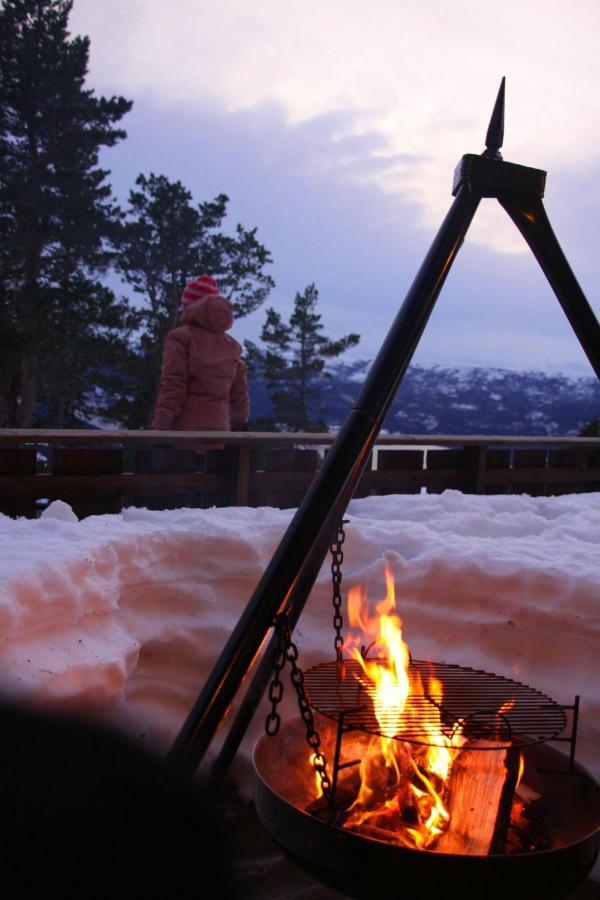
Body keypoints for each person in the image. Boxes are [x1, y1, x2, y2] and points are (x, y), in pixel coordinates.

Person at [152, 275, 249, 434]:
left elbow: (173, 385)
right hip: (220, 433)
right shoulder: (232, 346)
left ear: (189, 307)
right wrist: (236, 425)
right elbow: (239, 397)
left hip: (184, 435)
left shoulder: (180, 337)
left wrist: (161, 425)